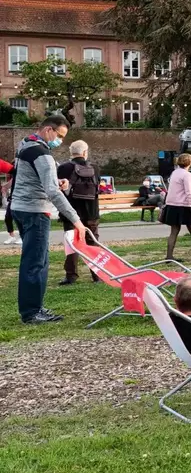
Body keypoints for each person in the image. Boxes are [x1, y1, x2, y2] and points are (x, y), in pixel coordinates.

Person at [11, 115, 84, 324]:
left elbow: (35, 178)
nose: (59, 141)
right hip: (35, 210)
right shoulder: (42, 153)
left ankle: (32, 309)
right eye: (59, 136)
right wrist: (75, 219)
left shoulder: (25, 145)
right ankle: (32, 312)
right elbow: (52, 191)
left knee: (32, 261)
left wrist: (58, 180)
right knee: (36, 263)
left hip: (21, 208)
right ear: (48, 130)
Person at [56, 140, 101, 286]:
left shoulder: (63, 168)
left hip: (71, 212)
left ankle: (71, 275)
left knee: (71, 243)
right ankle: (97, 274)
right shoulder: (95, 168)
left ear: (71, 152)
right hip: (92, 211)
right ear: (85, 152)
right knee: (92, 243)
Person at [163, 152, 191, 262]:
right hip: (185, 205)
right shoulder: (187, 175)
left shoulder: (174, 173)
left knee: (174, 231)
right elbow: (189, 193)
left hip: (172, 204)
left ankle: (169, 256)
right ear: (189, 163)